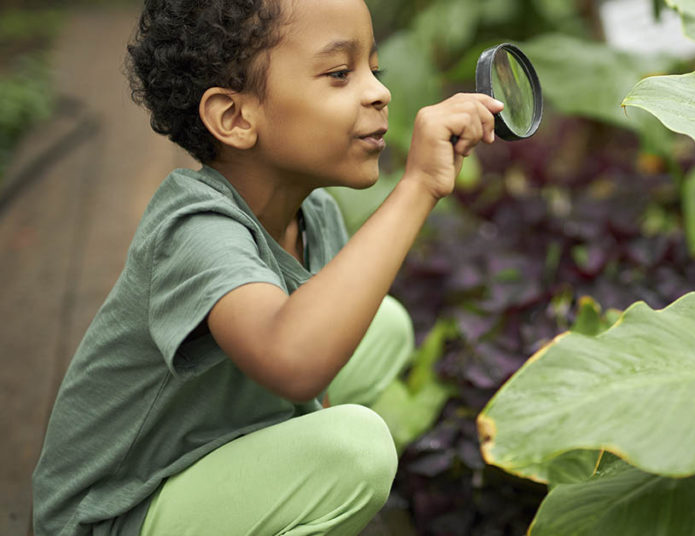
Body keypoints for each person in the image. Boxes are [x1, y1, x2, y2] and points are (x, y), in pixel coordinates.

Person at [31, 0, 503, 534]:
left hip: (209, 447)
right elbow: (294, 360)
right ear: (234, 117)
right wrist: (418, 186)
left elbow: (312, 387)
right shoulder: (194, 229)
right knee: (357, 452)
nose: (379, 91)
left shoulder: (314, 214)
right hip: (117, 512)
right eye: (340, 73)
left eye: (376, 69)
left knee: (385, 326)